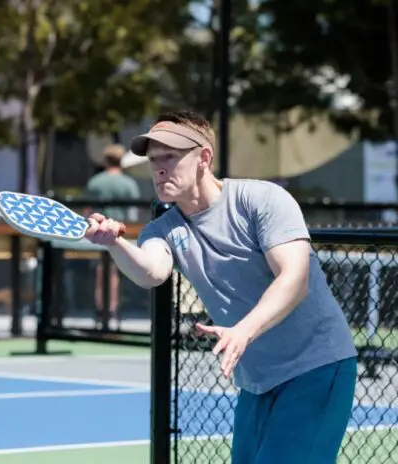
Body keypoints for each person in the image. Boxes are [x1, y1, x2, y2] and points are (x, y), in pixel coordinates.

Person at [84, 110, 358, 464]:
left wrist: (243, 331)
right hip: (257, 381)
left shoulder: (261, 200)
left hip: (316, 367)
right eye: (153, 159)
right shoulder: (163, 228)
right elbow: (151, 272)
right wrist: (114, 244)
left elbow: (295, 279)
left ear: (204, 159)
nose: (159, 167)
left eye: (170, 156)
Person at [84, 144, 140, 323]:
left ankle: (101, 309)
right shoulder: (129, 183)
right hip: (120, 235)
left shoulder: (95, 182)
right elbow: (134, 213)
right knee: (114, 272)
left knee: (101, 272)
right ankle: (112, 309)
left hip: (97, 234)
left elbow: (87, 210)